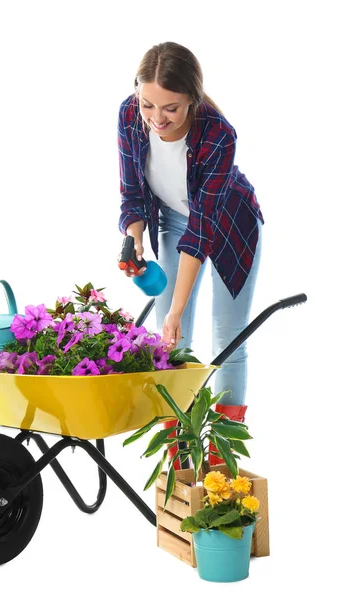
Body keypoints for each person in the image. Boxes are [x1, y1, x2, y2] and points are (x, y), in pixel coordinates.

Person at [117, 42, 264, 466]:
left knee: (227, 340)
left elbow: (202, 230)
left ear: (192, 102)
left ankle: (221, 453)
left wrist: (178, 307)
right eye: (149, 105)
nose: (157, 119)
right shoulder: (130, 116)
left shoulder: (219, 134)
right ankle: (178, 444)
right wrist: (135, 238)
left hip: (228, 225)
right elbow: (132, 194)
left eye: (171, 109)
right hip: (173, 220)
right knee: (171, 341)